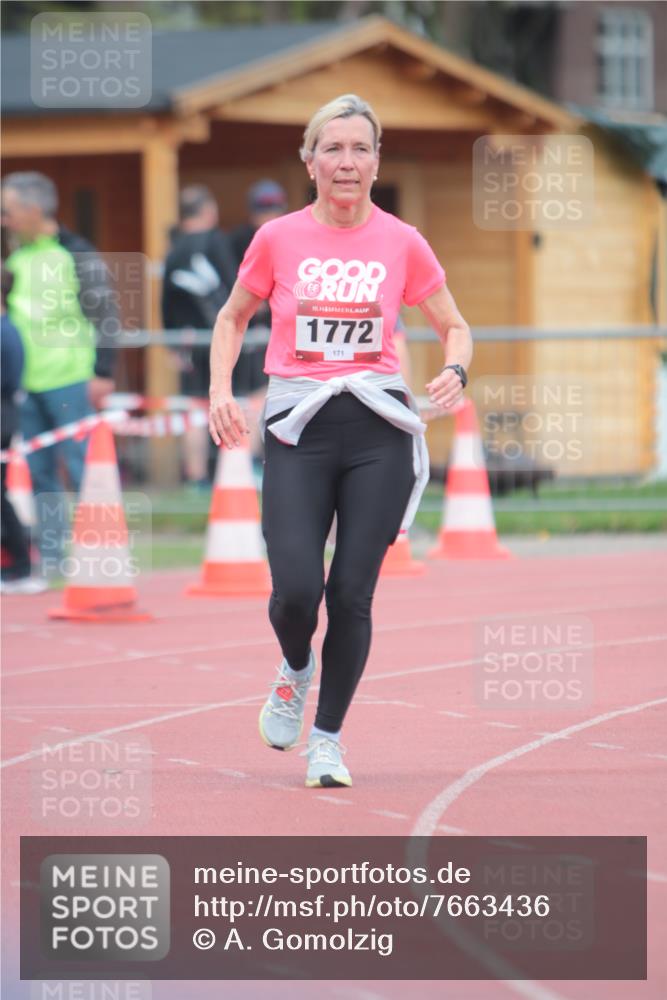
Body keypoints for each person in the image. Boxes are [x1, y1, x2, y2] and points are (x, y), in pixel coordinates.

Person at [208, 94, 472, 789]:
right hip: (298, 426)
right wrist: (218, 390)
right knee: (296, 591)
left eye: (359, 149)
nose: (346, 162)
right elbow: (232, 317)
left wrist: (455, 367)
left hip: (376, 430)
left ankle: (327, 740)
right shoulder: (277, 238)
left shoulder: (402, 240)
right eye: (332, 148)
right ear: (310, 161)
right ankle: (295, 669)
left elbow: (454, 324)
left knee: (351, 595)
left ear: (376, 162)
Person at [1, 172, 118, 579]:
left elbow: (105, 314)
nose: (4, 220)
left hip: (71, 379)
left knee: (84, 468)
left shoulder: (76, 254)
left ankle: (101, 555)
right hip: (27, 386)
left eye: (8, 212)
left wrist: (103, 371)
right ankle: (52, 559)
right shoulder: (15, 259)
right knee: (38, 474)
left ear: (34, 211)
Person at [162, 185, 237, 489]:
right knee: (234, 398)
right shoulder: (216, 240)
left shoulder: (173, 250)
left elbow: (164, 301)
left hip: (187, 342)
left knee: (194, 406)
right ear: (208, 212)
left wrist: (170, 342)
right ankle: (234, 472)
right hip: (221, 338)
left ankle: (196, 478)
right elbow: (235, 289)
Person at [0, 265, 46, 594]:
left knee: (2, 497)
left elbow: (9, 381)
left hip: (3, 419)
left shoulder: (7, 332)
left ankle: (20, 563)